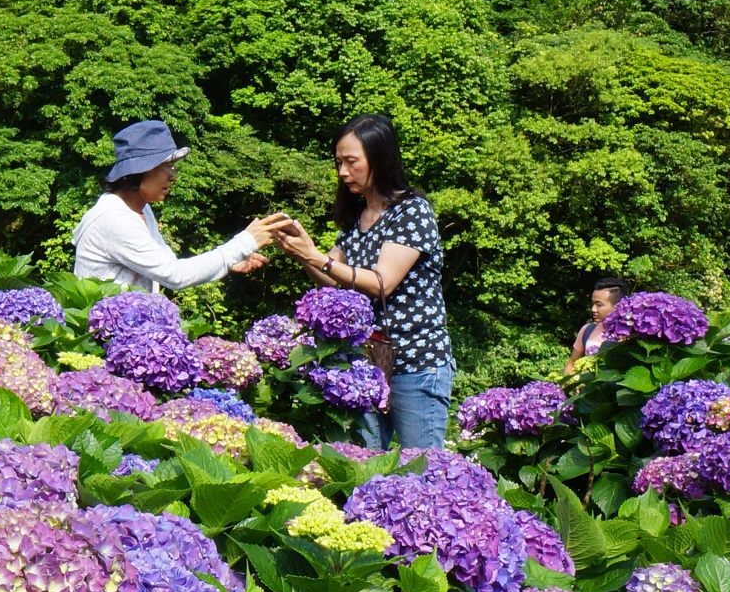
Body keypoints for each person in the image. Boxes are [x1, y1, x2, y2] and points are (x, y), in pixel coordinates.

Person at [269, 114, 457, 449]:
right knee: (361, 468)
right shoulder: (358, 218)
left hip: (416, 364)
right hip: (366, 366)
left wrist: (316, 257)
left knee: (423, 469)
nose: (342, 172)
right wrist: (301, 249)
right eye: (338, 162)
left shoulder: (411, 211)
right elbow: (330, 280)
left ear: (380, 158)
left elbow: (382, 283)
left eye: (351, 162)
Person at [71, 120, 278, 292]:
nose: (173, 176)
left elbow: (168, 264)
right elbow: (175, 275)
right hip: (104, 338)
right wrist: (244, 243)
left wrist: (229, 262)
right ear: (138, 170)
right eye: (167, 166)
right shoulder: (114, 218)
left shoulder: (141, 210)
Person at [571, 278, 625, 362]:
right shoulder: (587, 330)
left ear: (618, 306)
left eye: (599, 305)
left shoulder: (631, 334)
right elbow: (571, 363)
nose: (593, 309)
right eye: (593, 304)